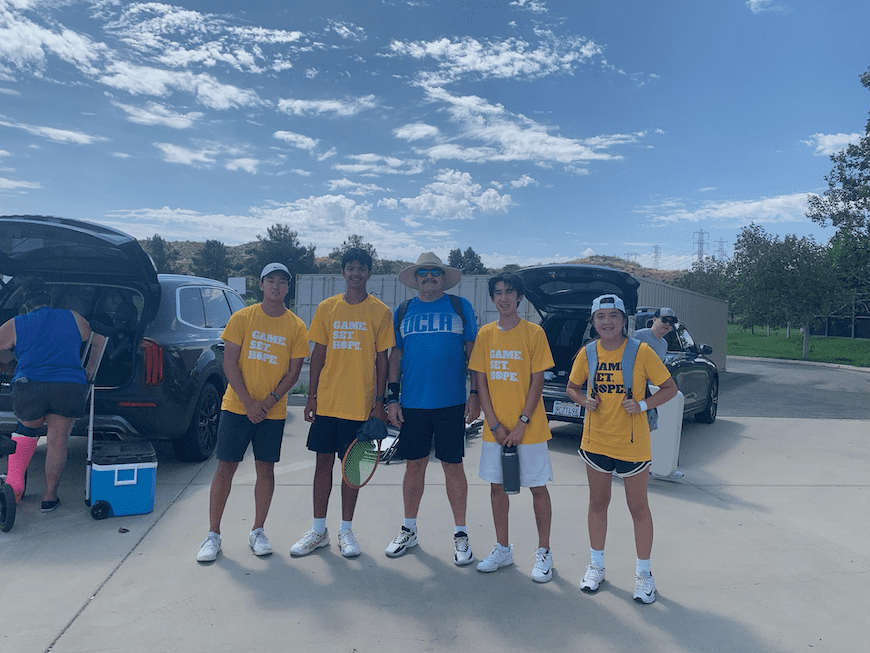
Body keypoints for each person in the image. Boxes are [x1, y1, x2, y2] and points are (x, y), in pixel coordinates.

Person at [566, 294, 678, 604]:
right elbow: (572, 388)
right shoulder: (587, 353)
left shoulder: (641, 352)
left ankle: (644, 574)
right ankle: (596, 566)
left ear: (624, 320)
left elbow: (670, 389)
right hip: (596, 441)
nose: (607, 322)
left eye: (614, 315)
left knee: (638, 509)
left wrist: (642, 404)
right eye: (600, 317)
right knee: (597, 504)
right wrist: (582, 400)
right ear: (593, 321)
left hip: (632, 445)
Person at [196, 263, 309, 563]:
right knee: (225, 469)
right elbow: (229, 364)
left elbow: (293, 372)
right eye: (270, 281)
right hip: (236, 407)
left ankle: (258, 531)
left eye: (282, 282)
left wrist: (268, 402)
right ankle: (213, 535)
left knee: (265, 469)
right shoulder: (242, 317)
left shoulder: (296, 326)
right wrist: (247, 402)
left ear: (288, 288)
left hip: (272, 412)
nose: (276, 286)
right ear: (260, 284)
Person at [290, 248, 394, 558]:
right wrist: (311, 397)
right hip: (328, 404)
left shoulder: (380, 312)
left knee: (352, 472)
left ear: (369, 273)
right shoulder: (327, 308)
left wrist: (379, 402)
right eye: (351, 268)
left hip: (361, 407)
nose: (356, 273)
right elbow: (318, 353)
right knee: (322, 466)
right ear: (343, 272)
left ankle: (346, 531)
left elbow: (382, 360)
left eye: (362, 268)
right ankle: (318, 530)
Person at [384, 252, 480, 565]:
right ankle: (408, 529)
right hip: (412, 403)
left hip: (451, 402)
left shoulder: (459, 307)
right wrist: (392, 398)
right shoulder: (403, 311)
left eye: (434, 273)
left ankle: (461, 534)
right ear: (415, 279)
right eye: (423, 273)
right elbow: (395, 357)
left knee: (453, 467)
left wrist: (475, 393)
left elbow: (474, 354)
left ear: (442, 278)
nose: (429, 277)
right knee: (415, 466)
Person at [468, 273, 556, 582]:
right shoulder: (485, 334)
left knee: (537, 488)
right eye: (498, 293)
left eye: (510, 292)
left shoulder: (534, 333)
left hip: (528, 429)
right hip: (496, 429)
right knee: (496, 488)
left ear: (519, 297)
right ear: (492, 298)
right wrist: (493, 423)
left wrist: (521, 424)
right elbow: (480, 380)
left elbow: (537, 382)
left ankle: (544, 552)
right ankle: (503, 549)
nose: (504, 297)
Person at [0, 278, 91, 511]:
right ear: (50, 301)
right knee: (57, 442)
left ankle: (14, 489)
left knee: (26, 435)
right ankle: (49, 496)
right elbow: (88, 335)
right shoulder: (72, 316)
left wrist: (9, 362)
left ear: (26, 305)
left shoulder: (17, 322)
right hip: (68, 385)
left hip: (30, 386)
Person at [634, 307, 685, 480]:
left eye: (672, 323)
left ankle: (660, 467)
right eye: (665, 320)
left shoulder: (663, 344)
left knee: (654, 428)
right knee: (636, 431)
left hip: (653, 392)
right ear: (654, 319)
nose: (668, 325)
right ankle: (625, 467)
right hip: (635, 391)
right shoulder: (638, 336)